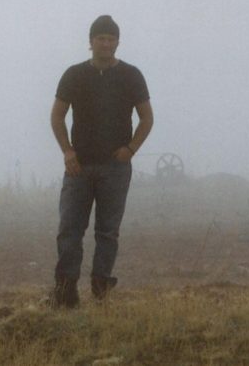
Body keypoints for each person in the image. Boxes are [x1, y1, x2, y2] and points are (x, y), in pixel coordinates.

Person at [50, 15, 154, 308]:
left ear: (118, 42)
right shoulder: (74, 74)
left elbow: (147, 118)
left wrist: (131, 149)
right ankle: (66, 291)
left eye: (111, 38)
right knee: (70, 228)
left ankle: (100, 285)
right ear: (91, 42)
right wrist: (67, 152)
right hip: (78, 167)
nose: (106, 43)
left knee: (107, 231)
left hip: (115, 168)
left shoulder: (132, 75)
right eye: (100, 38)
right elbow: (57, 115)